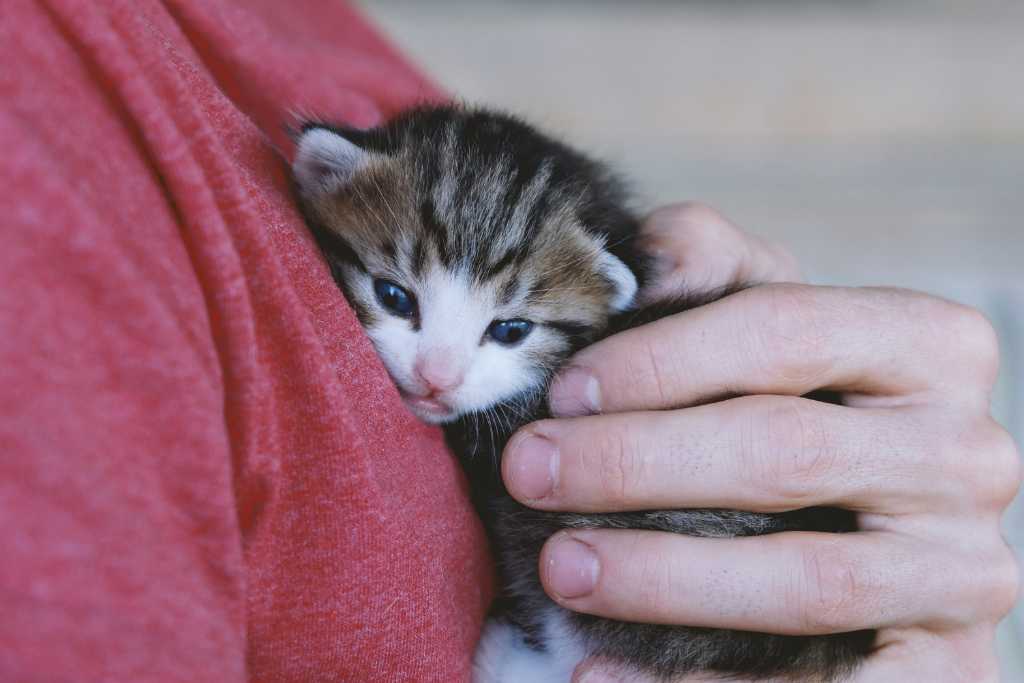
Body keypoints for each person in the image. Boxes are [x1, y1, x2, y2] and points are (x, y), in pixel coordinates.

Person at [1, 1, 1017, 682]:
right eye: (394, 296)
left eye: (505, 330)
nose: (437, 373)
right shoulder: (43, 126)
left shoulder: (303, 43)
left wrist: (885, 578)